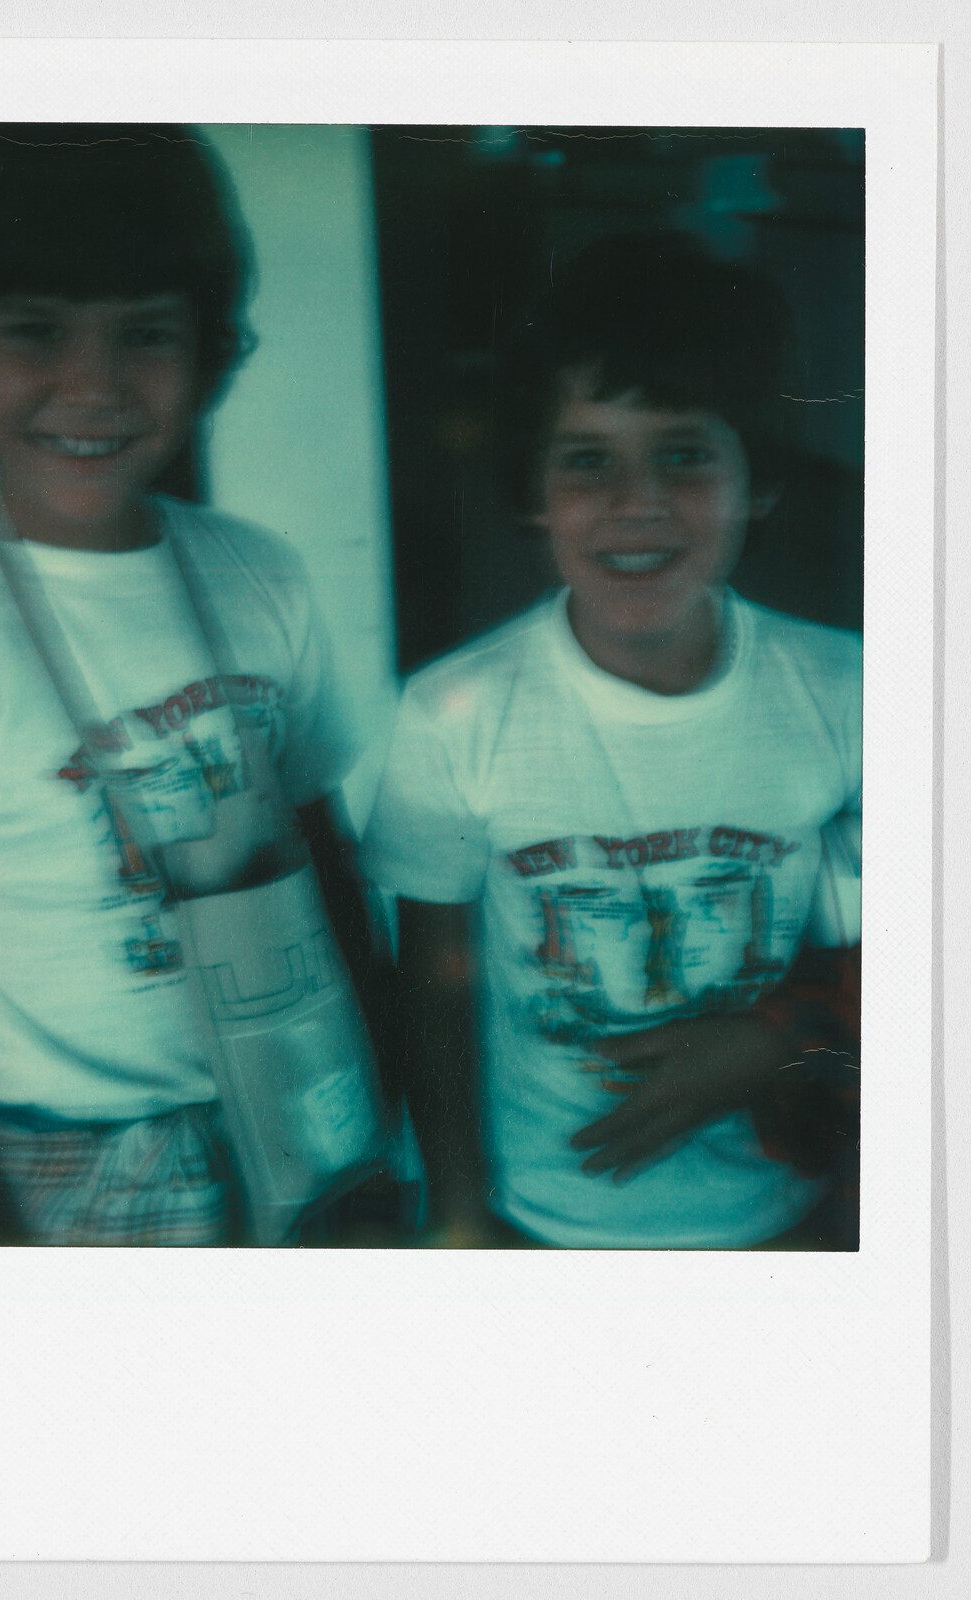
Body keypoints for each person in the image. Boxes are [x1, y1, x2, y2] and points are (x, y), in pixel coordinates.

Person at [0, 123, 382, 1246]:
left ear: (209, 352)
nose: (92, 384)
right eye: (35, 331)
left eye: (145, 334)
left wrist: (377, 1119)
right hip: (68, 1174)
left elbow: (329, 872)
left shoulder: (265, 576)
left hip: (303, 1110)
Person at [362, 231, 861, 1249]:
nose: (638, 502)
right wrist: (457, 1211)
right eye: (589, 460)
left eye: (685, 453)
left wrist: (776, 1044)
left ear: (757, 477)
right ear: (532, 496)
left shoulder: (851, 693)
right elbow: (435, 992)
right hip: (540, 1220)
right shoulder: (454, 712)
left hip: (785, 1217)